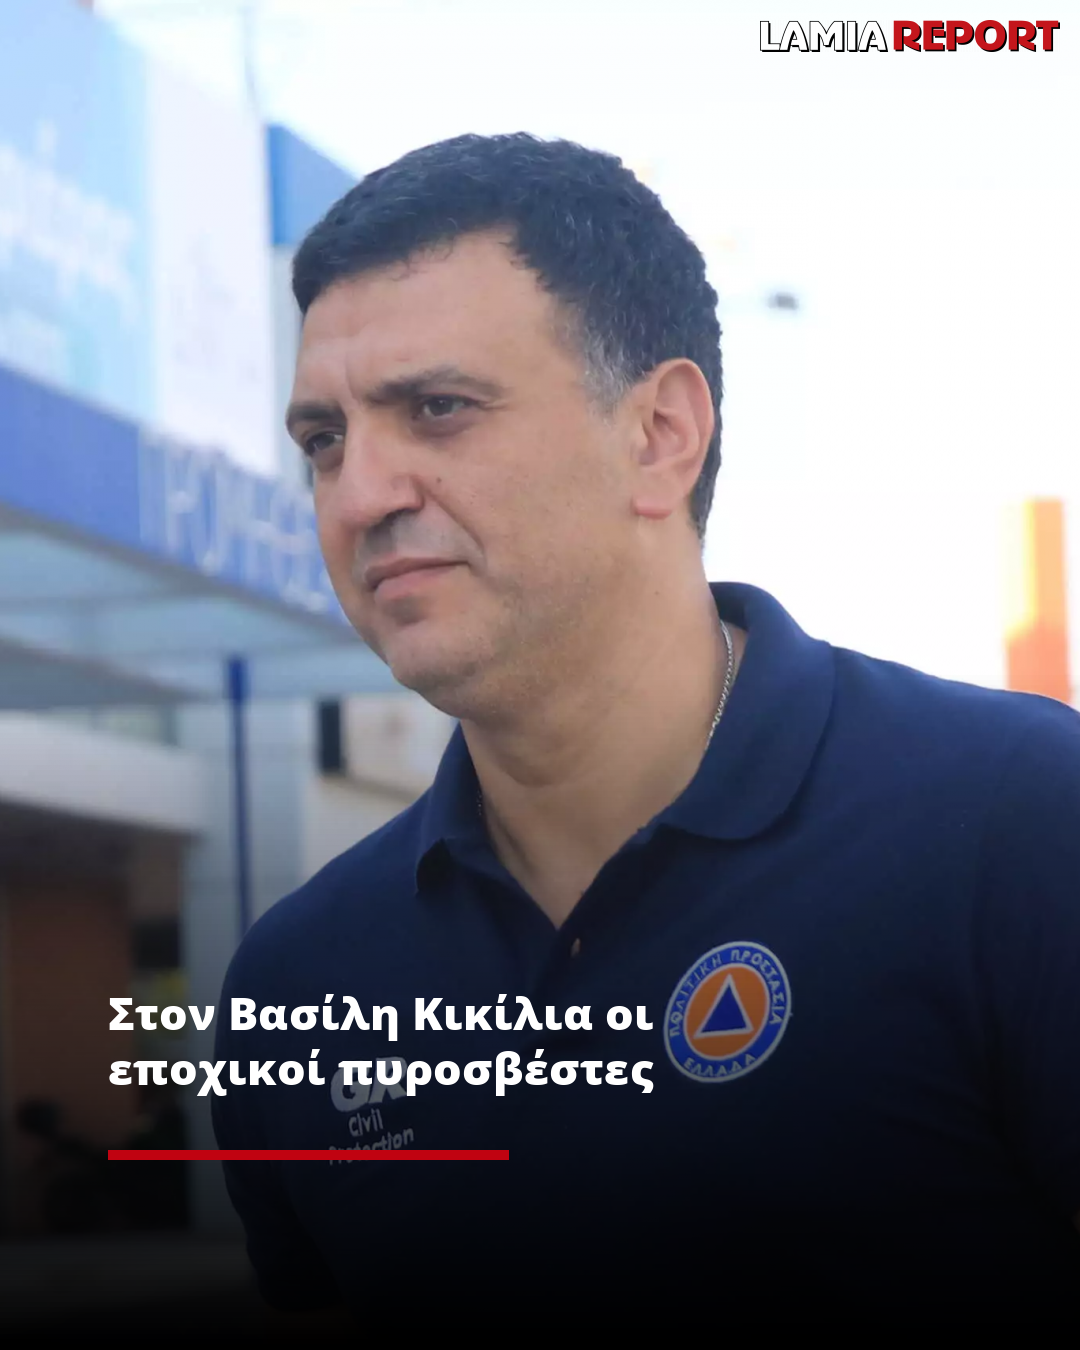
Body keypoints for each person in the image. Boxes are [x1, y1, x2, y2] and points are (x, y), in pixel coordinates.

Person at [213, 132, 1080, 1324]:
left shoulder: (1019, 827)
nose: (360, 494)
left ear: (662, 433)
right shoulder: (297, 984)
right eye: (325, 442)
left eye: (439, 409)